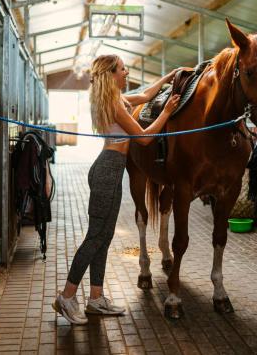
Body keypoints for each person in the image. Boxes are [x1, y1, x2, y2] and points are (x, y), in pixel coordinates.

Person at [53, 54, 180, 324]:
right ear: (111, 74)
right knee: (95, 236)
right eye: (123, 69)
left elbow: (145, 95)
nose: (126, 72)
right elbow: (144, 138)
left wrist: (169, 77)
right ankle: (66, 296)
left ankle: (96, 298)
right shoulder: (113, 102)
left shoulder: (117, 99)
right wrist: (167, 112)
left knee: (105, 236)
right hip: (109, 169)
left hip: (110, 167)